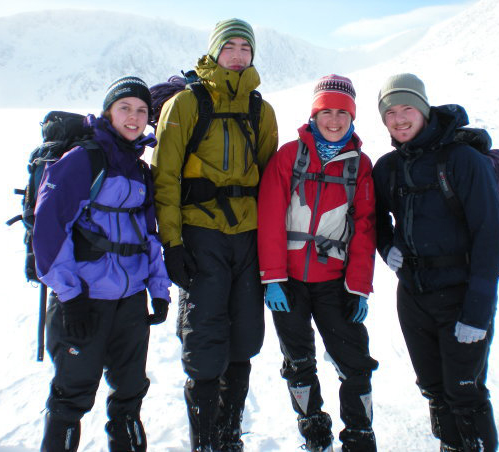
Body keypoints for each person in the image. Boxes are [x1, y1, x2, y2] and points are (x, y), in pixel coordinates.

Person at [151, 18, 278, 451]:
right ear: (215, 51)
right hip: (201, 234)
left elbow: (270, 181)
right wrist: (172, 243)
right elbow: (165, 178)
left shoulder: (261, 110)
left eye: (246, 47)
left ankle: (229, 437)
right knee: (205, 344)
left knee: (243, 340)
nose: (239, 55)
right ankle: (205, 443)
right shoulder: (185, 105)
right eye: (231, 46)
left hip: (247, 238)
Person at [33, 76, 171, 452]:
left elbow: (149, 234)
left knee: (129, 396)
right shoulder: (83, 160)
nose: (134, 117)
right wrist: (70, 295)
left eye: (142, 110)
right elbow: (48, 231)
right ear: (108, 111)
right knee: (70, 397)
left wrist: (158, 289)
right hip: (84, 300)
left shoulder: (140, 168)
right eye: (125, 107)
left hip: (130, 302)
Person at [372, 73, 499, 451]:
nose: (399, 119)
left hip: (461, 295)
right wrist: (386, 247)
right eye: (390, 113)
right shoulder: (387, 168)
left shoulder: (463, 161)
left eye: (407, 108)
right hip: (413, 294)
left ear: (424, 109)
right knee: (432, 388)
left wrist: (478, 311)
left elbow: (489, 237)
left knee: (465, 392)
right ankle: (450, 445)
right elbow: (374, 217)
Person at [258, 74, 378, 452]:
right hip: (289, 281)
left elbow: (365, 228)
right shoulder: (288, 156)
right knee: (298, 363)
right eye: (326, 111)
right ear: (314, 114)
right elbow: (271, 217)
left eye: (343, 113)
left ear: (352, 117)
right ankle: (314, 432)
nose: (334, 120)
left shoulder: (360, 165)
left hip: (334, 282)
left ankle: (359, 436)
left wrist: (358, 287)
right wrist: (273, 277)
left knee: (355, 362)